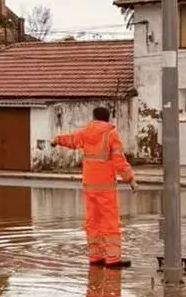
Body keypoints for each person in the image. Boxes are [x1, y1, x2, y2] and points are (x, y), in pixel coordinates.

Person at [53, 106, 136, 267]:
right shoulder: (111, 134)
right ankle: (113, 259)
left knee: (93, 221)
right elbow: (119, 160)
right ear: (108, 118)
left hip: (89, 185)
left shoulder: (86, 132)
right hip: (106, 186)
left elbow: (71, 140)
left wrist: (56, 140)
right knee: (110, 222)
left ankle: (95, 256)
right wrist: (130, 179)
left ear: (94, 117)